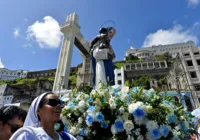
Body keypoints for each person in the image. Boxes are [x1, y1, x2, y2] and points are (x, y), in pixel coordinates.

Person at [10, 92, 76, 140]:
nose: (59, 106)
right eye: (52, 102)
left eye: (61, 103)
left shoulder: (68, 137)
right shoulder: (29, 135)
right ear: (38, 111)